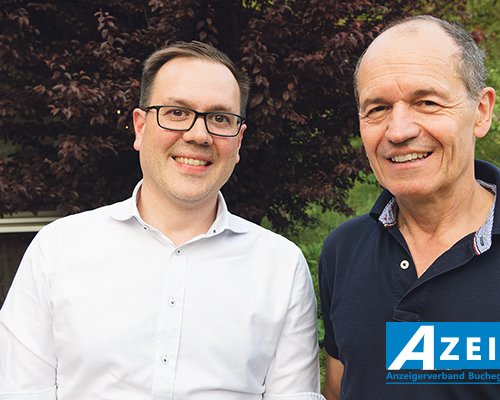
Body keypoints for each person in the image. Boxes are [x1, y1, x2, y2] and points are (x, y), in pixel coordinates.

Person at [0, 41, 324, 400]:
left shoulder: (281, 266)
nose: (199, 135)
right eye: (176, 112)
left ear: (239, 140)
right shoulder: (57, 250)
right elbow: (20, 392)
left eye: (220, 118)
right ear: (140, 127)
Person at [318, 15, 500, 400]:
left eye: (427, 102)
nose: (398, 131)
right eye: (378, 108)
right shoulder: (343, 251)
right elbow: (338, 386)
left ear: (481, 112)